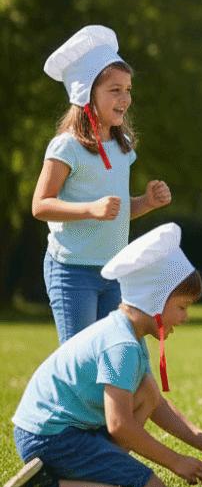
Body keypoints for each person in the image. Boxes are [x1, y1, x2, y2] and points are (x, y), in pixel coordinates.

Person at [1, 224, 202, 487]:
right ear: (153, 301)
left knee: (148, 391)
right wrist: (175, 461)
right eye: (182, 306)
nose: (185, 317)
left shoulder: (128, 333)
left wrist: (201, 440)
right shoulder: (121, 345)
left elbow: (155, 403)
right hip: (51, 439)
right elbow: (119, 425)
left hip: (62, 433)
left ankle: (76, 473)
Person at [32, 26, 171, 343]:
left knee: (111, 356)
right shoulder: (66, 146)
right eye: (115, 90)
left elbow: (116, 213)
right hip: (72, 272)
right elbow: (40, 205)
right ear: (86, 93)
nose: (126, 98)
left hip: (113, 270)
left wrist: (146, 203)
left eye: (128, 89)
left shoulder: (122, 148)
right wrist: (91, 209)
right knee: (80, 360)